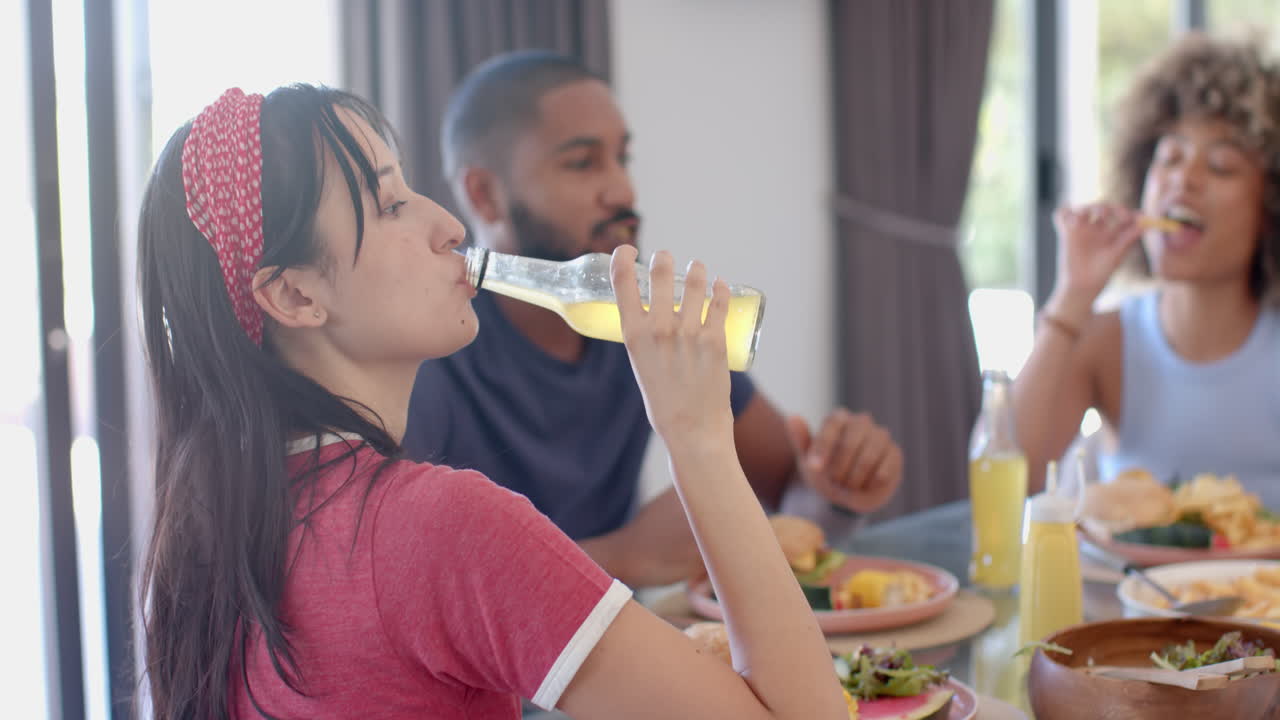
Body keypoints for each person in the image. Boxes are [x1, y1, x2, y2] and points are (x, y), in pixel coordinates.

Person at [137, 84, 848, 719]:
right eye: (389, 204)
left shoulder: (215, 530)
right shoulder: (442, 528)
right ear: (294, 295)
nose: (447, 226)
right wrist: (696, 438)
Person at [405, 51, 903, 587]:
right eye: (582, 163)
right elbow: (395, 589)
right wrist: (621, 558)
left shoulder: (643, 320)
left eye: (623, 158)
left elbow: (792, 489)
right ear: (485, 195)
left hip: (620, 653)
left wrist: (839, 488)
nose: (624, 191)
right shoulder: (424, 351)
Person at [1012, 33, 1280, 505]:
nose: (1183, 178)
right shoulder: (1106, 340)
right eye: (1169, 157)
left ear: (1269, 209)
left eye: (1220, 166)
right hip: (1128, 583)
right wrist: (1074, 294)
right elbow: (1011, 476)